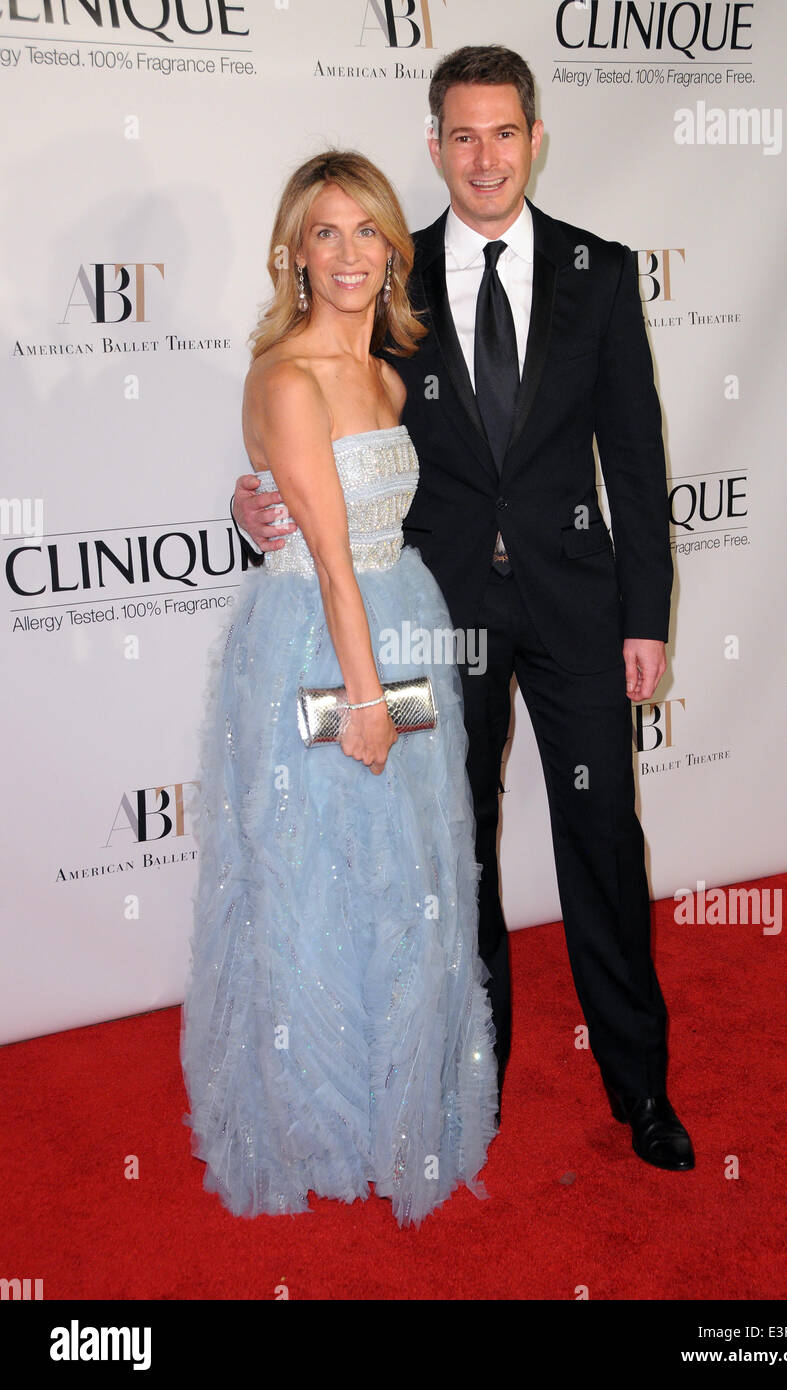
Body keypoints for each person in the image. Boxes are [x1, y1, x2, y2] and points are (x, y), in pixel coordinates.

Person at [233, 47, 695, 1172]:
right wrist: (256, 501)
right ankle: (464, 1083)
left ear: (534, 138)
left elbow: (632, 462)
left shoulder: (599, 270)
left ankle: (639, 1087)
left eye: (504, 133)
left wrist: (645, 616)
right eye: (462, 135)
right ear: (433, 143)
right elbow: (324, 425)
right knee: (455, 857)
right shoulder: (392, 279)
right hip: (435, 616)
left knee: (599, 839)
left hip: (579, 607)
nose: (483, 157)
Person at [180, 150, 499, 1228]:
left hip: (403, 627)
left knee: (404, 873)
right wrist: (365, 697)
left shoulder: (391, 376)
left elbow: (370, 526)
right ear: (295, 253)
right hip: (321, 652)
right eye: (326, 233)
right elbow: (322, 558)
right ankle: (313, 1114)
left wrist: (392, 679)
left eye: (367, 231)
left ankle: (395, 1104)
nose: (350, 253)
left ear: (392, 251)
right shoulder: (284, 374)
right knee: (313, 875)